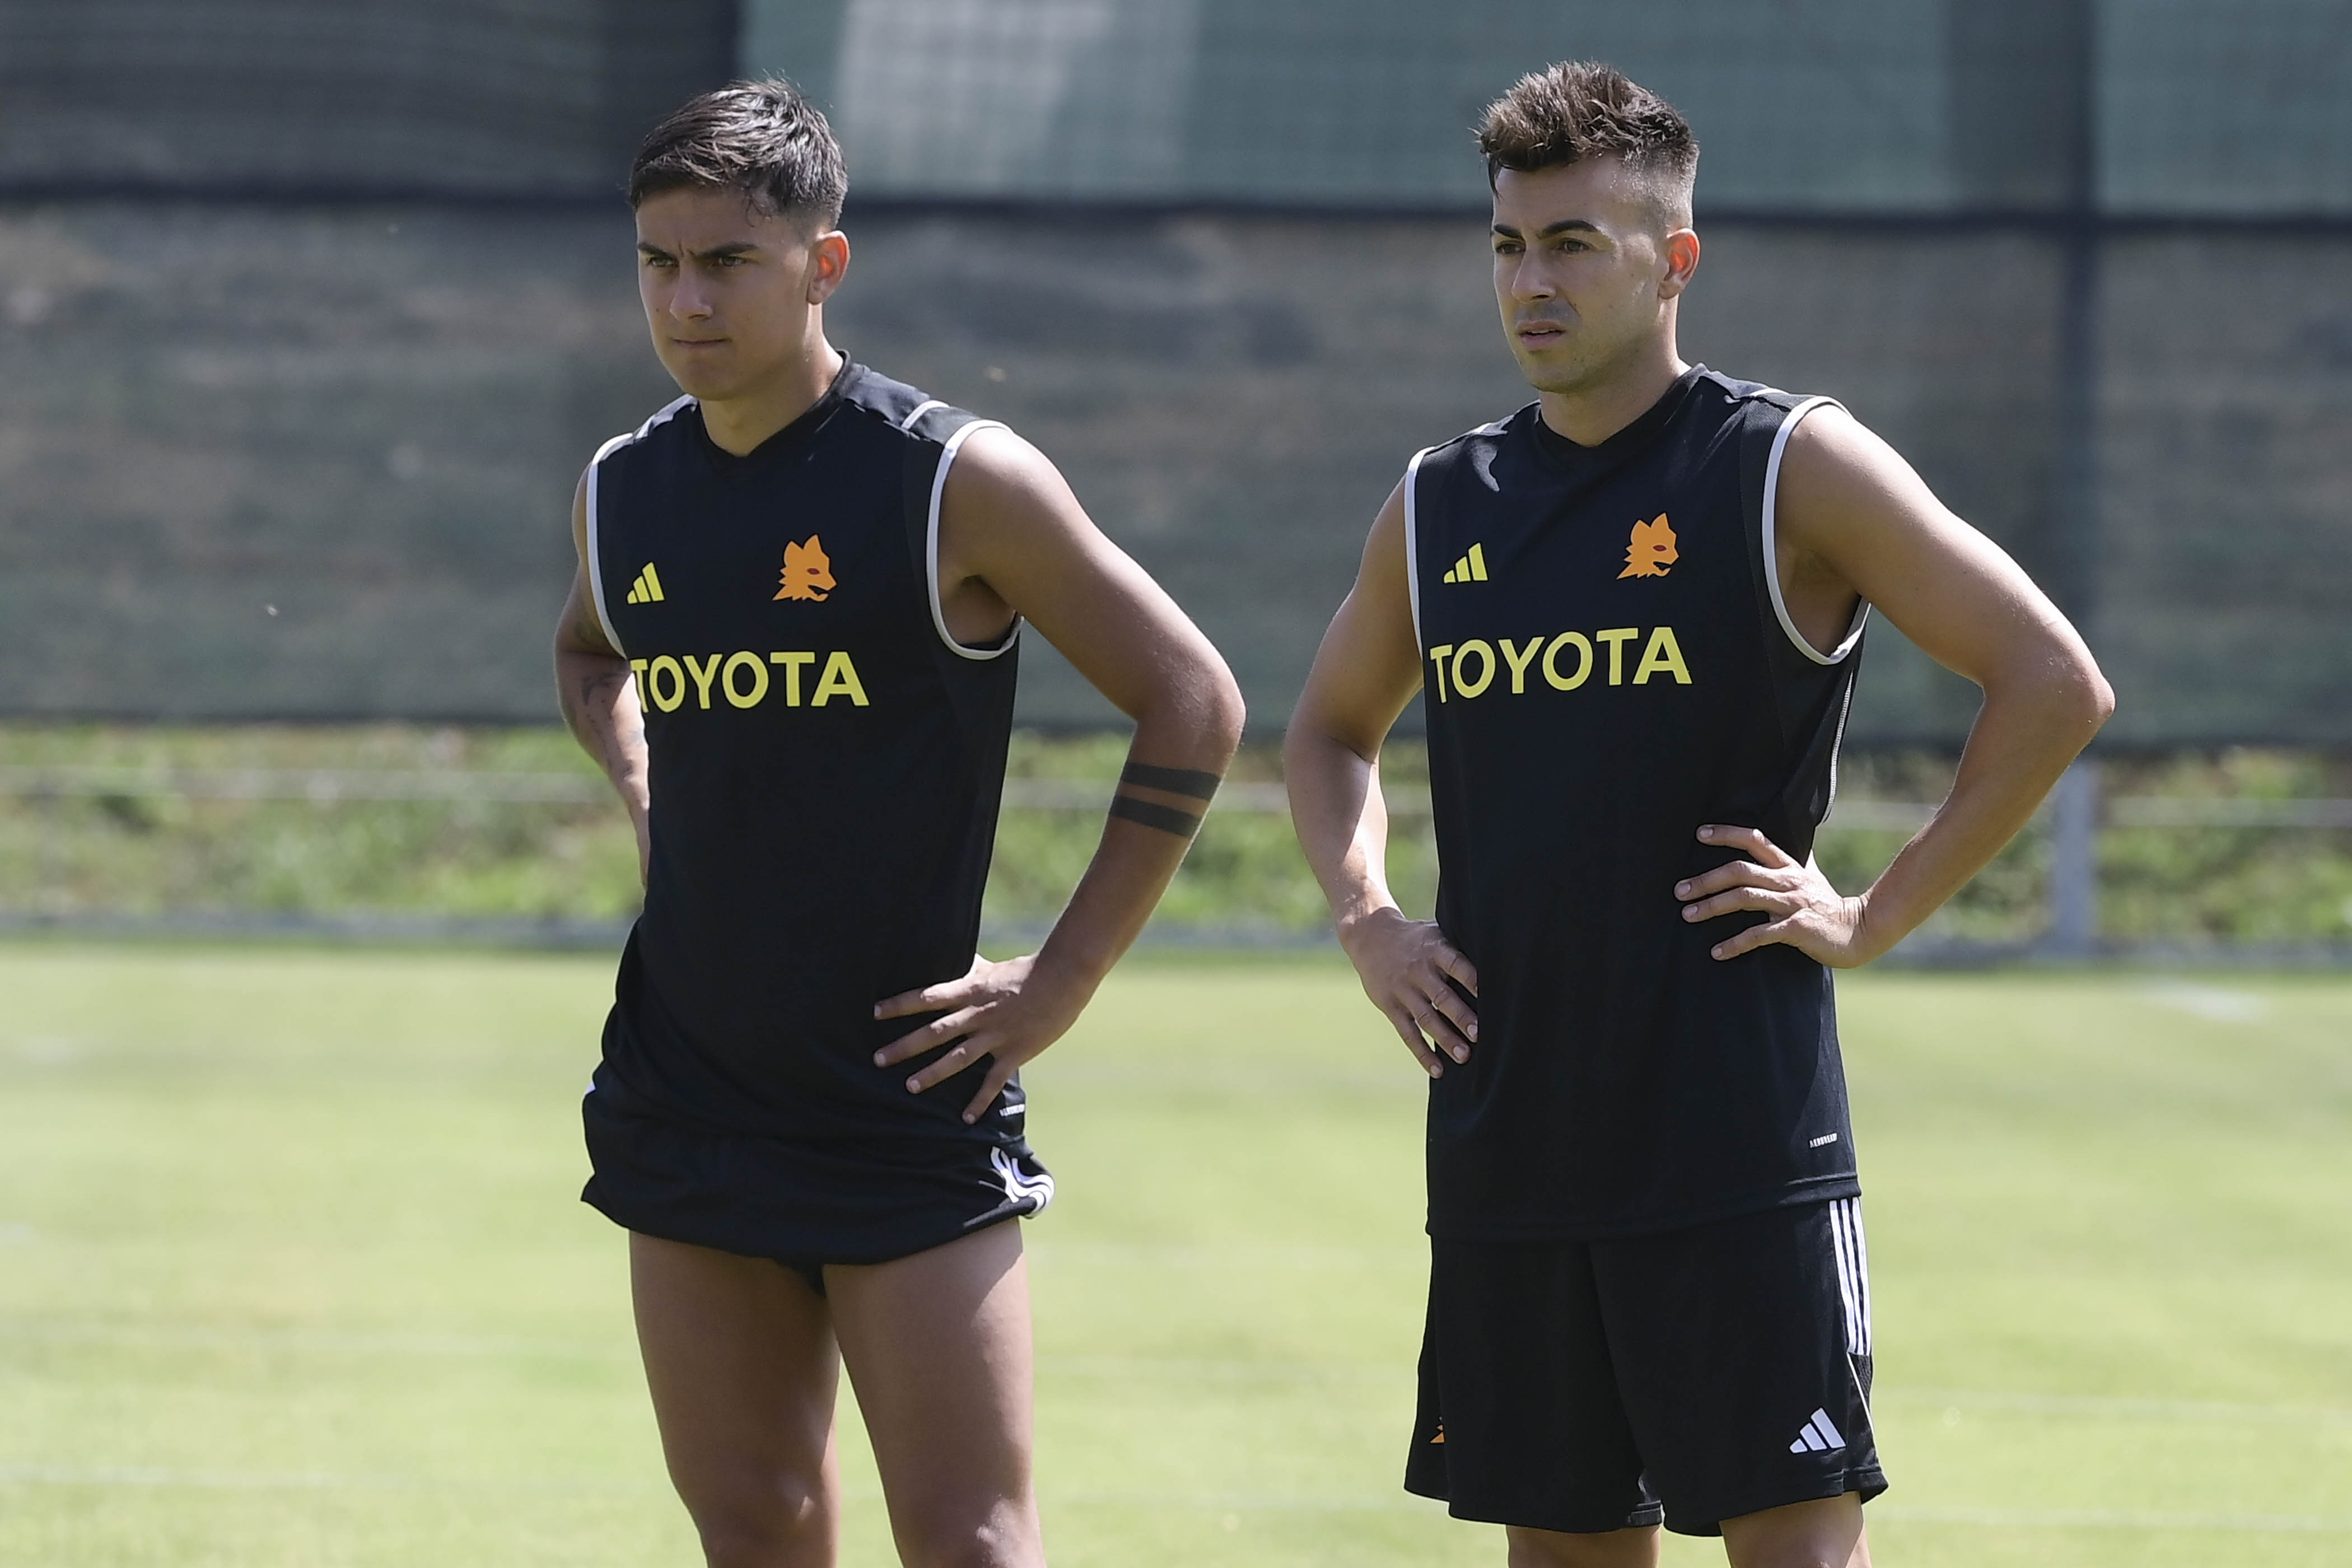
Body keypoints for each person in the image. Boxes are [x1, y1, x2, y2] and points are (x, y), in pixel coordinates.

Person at [1284, 61, 2112, 1568]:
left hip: (1733, 1137)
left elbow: (2053, 683)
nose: (1530, 282)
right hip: (1510, 1137)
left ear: (1674, 262)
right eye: (1508, 246)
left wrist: (1873, 912)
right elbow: (1332, 733)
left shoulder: (1787, 466)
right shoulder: (1441, 500)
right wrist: (1369, 919)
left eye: (1572, 245)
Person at [553, 80, 1244, 1568]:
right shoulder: (626, 489)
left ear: (824, 263)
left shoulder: (951, 481)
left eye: (728, 261)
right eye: (658, 262)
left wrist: (1059, 984)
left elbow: (1192, 697)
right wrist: (642, 786)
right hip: (690, 1084)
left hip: (903, 1092)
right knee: (756, 1525)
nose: (686, 299)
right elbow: (587, 651)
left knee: (976, 1543)